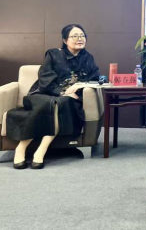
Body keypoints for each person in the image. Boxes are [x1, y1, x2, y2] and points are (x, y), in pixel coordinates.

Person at [6, 24, 100, 169]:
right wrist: (62, 92)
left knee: (60, 104)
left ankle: (41, 150)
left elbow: (96, 78)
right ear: (65, 40)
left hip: (69, 99)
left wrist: (80, 85)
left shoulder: (88, 58)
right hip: (44, 93)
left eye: (82, 35)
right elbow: (45, 77)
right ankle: (21, 148)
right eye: (75, 36)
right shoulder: (54, 54)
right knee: (49, 104)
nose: (80, 39)